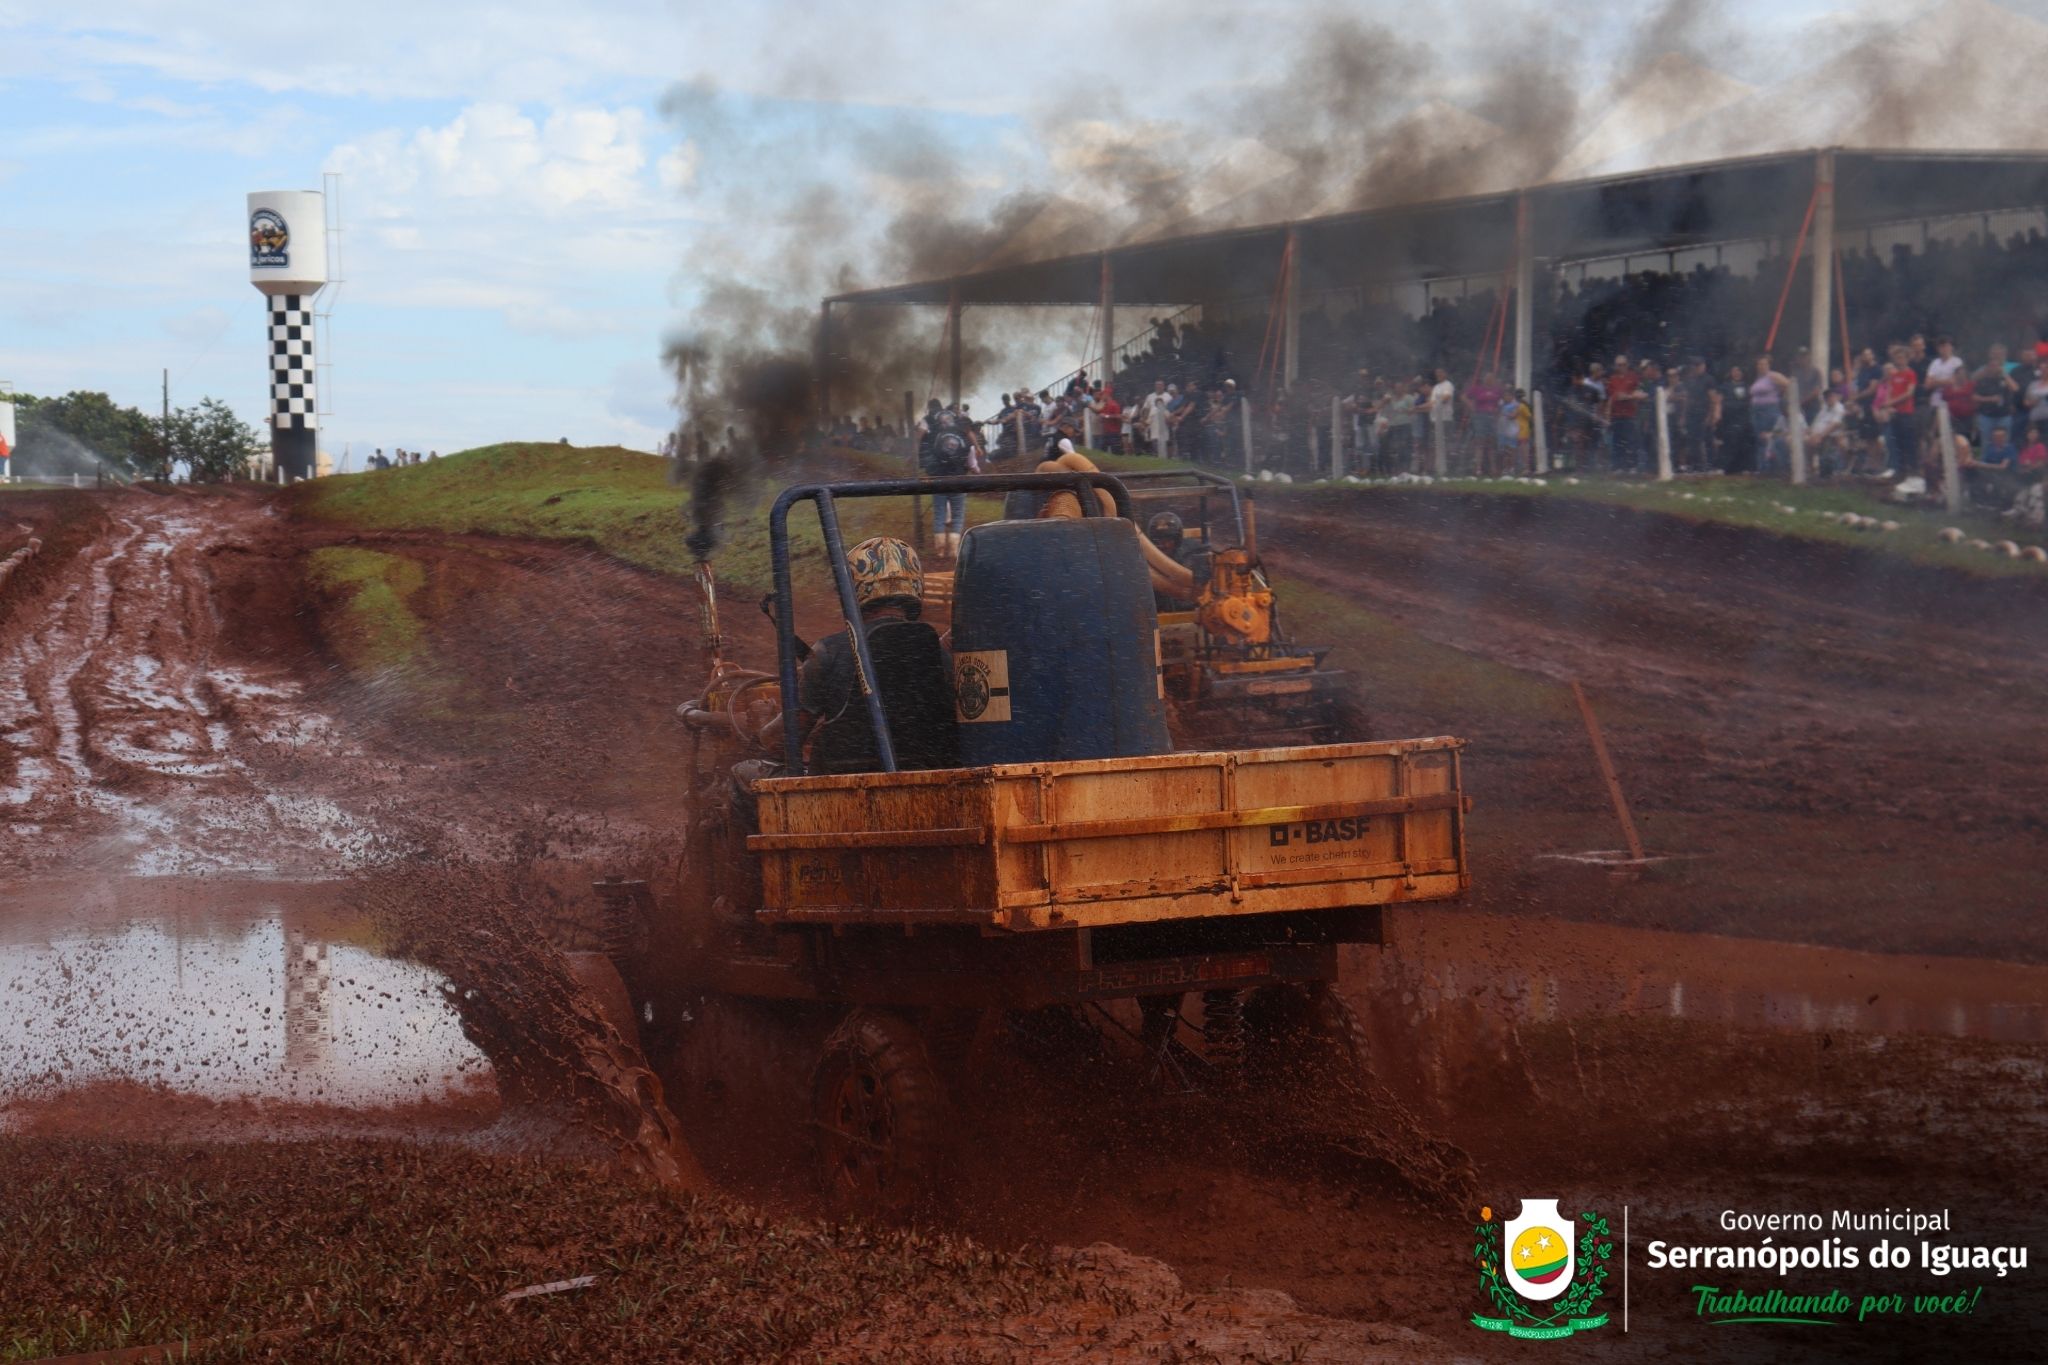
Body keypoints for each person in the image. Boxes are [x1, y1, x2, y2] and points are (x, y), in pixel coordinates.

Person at [777, 536, 957, 776]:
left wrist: (758, 737)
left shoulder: (828, 652)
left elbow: (789, 738)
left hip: (841, 786)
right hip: (926, 775)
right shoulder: (937, 655)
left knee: (744, 772)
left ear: (853, 588)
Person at [1605, 355, 1643, 474]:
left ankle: (1632, 466)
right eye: (1618, 365)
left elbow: (1639, 393)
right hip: (1616, 415)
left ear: (1627, 365)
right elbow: (1611, 398)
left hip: (1629, 414)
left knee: (1631, 441)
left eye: (1623, 364)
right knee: (1617, 442)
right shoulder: (1612, 379)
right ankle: (1619, 466)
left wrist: (1627, 397)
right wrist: (1608, 416)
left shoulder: (1633, 377)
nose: (1620, 367)